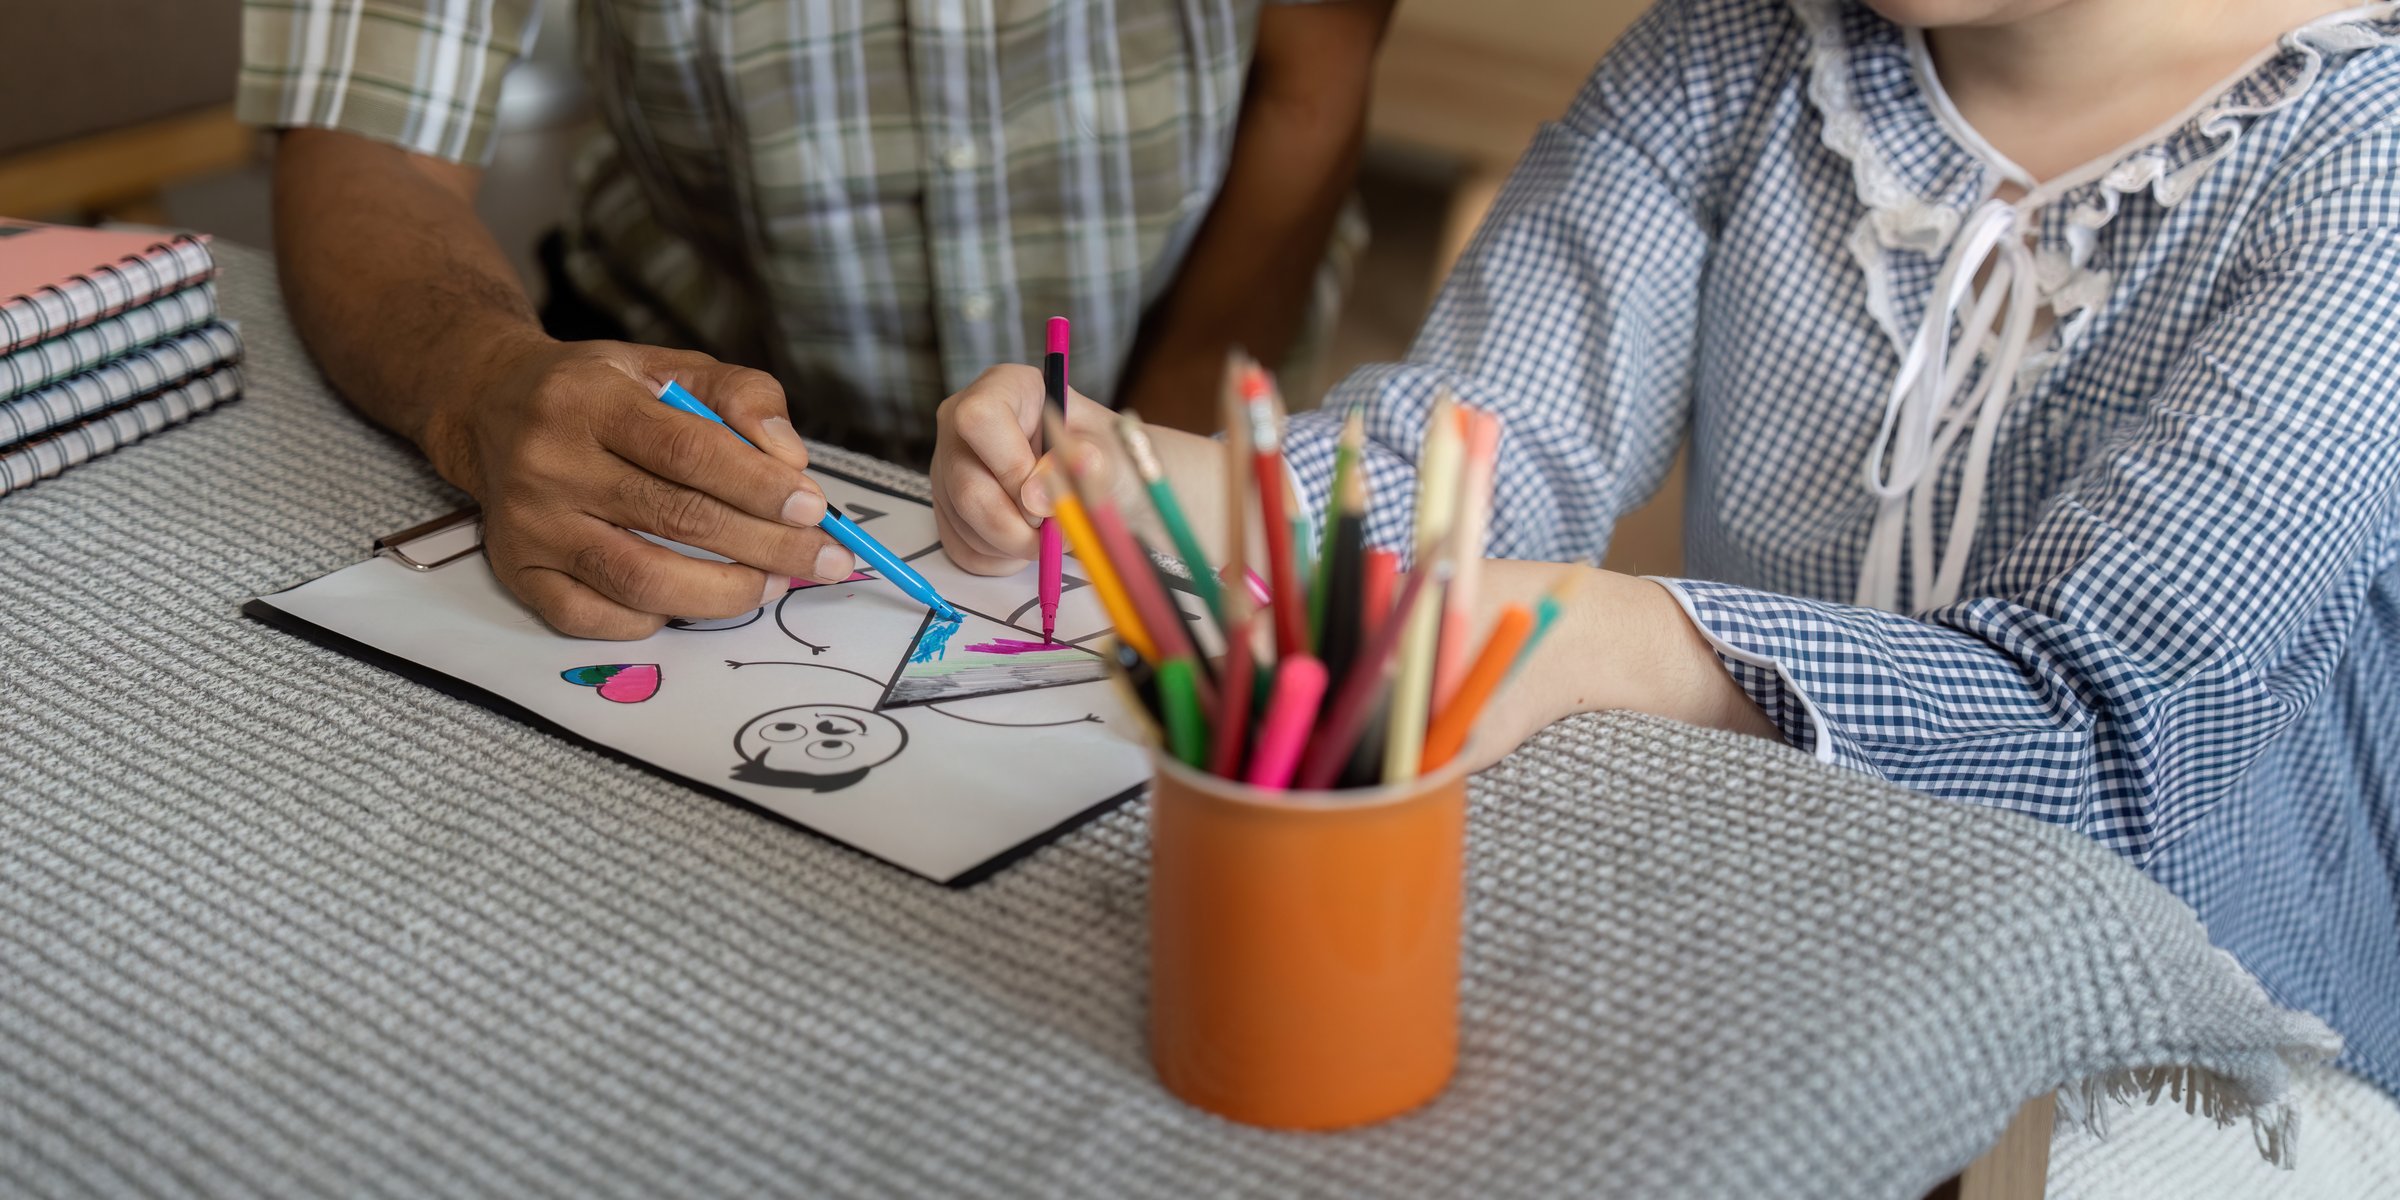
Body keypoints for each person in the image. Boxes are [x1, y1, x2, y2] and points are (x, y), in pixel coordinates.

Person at [929, 0, 2400, 1174]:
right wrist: (1160, 488)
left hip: (2222, 1057)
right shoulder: (1735, 48)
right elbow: (1478, 454)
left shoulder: (2366, 159)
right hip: (1797, 928)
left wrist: (1608, 637)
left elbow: (2107, 719)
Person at [237, 0, 1390, 639]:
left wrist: (1157, 448)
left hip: (1176, 372)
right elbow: (361, 132)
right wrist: (480, 379)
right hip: (685, 400)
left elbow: (1316, 69)